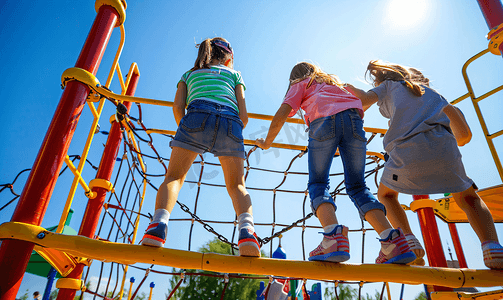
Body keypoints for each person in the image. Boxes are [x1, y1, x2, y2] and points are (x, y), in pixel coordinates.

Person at [344, 60, 503, 269]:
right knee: (469, 199)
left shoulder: (389, 85)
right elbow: (464, 136)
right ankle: (492, 247)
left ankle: (408, 239)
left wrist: (346, 87)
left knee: (386, 195)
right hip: (445, 152)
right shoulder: (436, 96)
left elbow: (363, 100)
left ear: (385, 78)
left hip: (406, 154)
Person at [255, 62, 416, 264]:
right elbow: (358, 104)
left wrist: (267, 141)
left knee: (318, 184)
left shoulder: (301, 83)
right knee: (358, 187)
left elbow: (281, 114)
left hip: (323, 123)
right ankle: (392, 240)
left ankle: (333, 237)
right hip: (354, 122)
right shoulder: (336, 85)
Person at [140, 37, 260, 257]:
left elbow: (178, 107)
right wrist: (230, 132)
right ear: (229, 58)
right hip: (230, 122)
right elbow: (244, 115)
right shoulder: (234, 75)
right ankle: (247, 232)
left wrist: (188, 134)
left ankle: (157, 227)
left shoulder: (189, 74)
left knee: (174, 177)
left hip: (195, 117)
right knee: (237, 185)